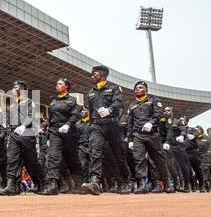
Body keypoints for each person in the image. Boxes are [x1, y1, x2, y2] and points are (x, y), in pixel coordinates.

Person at [82, 65, 130, 195]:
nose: (92, 76)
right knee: (95, 152)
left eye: (94, 73)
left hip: (112, 124)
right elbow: (91, 111)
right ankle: (95, 181)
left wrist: (109, 110)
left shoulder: (114, 88)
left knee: (119, 155)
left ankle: (125, 181)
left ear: (102, 74)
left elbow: (118, 102)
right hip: (97, 125)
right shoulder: (91, 91)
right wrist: (91, 125)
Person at [0, 81, 44, 195]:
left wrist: (24, 125)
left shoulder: (29, 102)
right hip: (14, 133)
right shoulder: (13, 103)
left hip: (26, 133)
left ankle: (41, 183)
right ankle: (11, 186)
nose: (13, 89)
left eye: (15, 87)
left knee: (31, 161)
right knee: (11, 159)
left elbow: (31, 115)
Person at [39, 78, 83, 195]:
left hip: (69, 131)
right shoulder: (53, 101)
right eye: (56, 84)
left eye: (60, 84)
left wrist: (68, 125)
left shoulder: (73, 100)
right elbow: (51, 119)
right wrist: (48, 136)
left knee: (72, 159)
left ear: (66, 86)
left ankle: (78, 184)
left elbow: (75, 115)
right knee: (53, 157)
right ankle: (52, 184)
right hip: (55, 131)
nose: (57, 86)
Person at [127, 81, 173, 194]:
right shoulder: (132, 105)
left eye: (140, 87)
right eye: (136, 88)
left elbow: (158, 114)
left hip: (152, 134)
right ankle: (142, 185)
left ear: (146, 90)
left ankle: (167, 183)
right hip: (138, 135)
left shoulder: (153, 100)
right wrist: (130, 139)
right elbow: (130, 123)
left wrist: (151, 123)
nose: (137, 89)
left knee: (158, 159)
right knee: (139, 159)